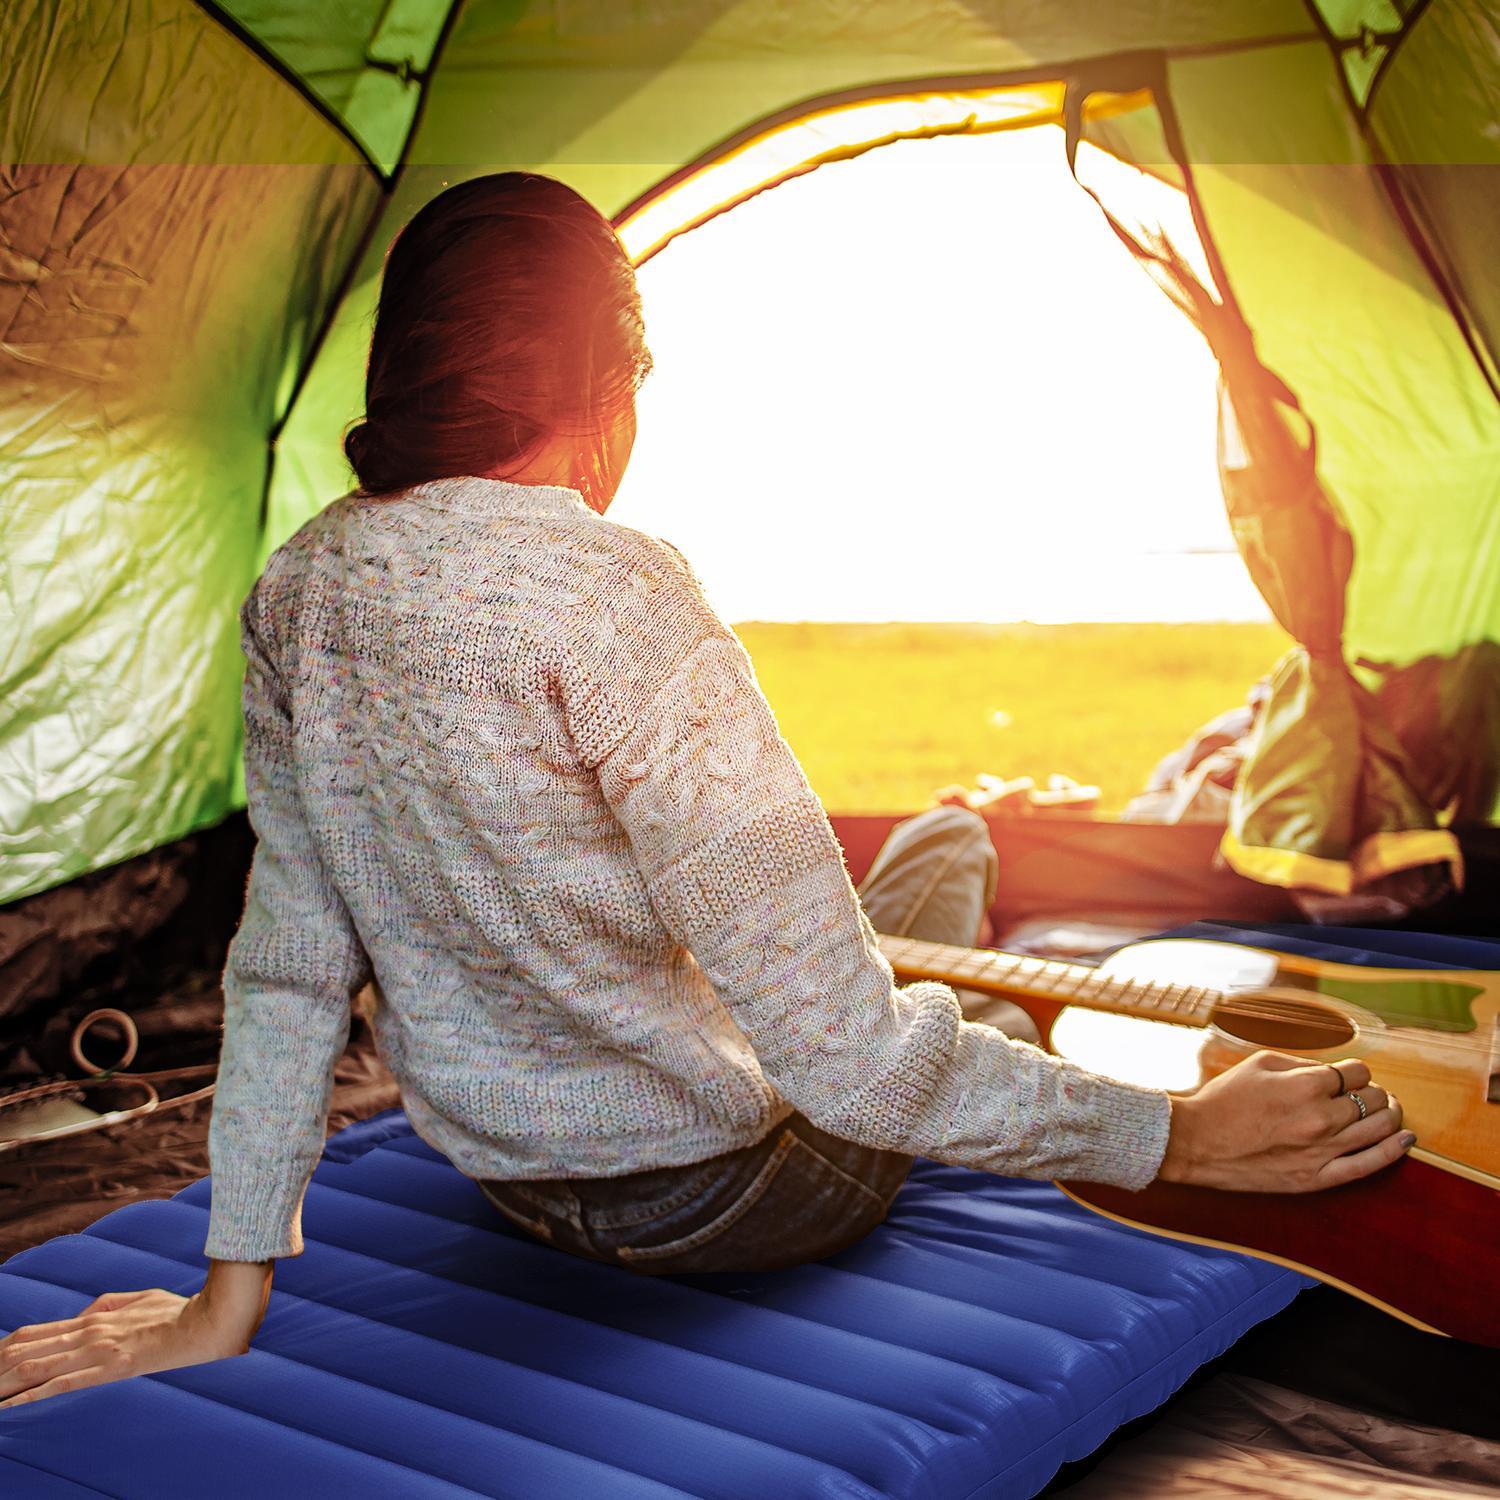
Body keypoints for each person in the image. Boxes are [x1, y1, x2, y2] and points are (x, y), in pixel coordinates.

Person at [0, 173, 1412, 1407]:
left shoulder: (301, 584)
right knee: (943, 860)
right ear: (609, 392)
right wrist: (1174, 1136)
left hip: (511, 1181)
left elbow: (292, 965)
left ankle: (960, 944)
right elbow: (850, 1066)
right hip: (730, 1200)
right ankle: (981, 951)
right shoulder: (620, 593)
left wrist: (223, 1302)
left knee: (914, 872)